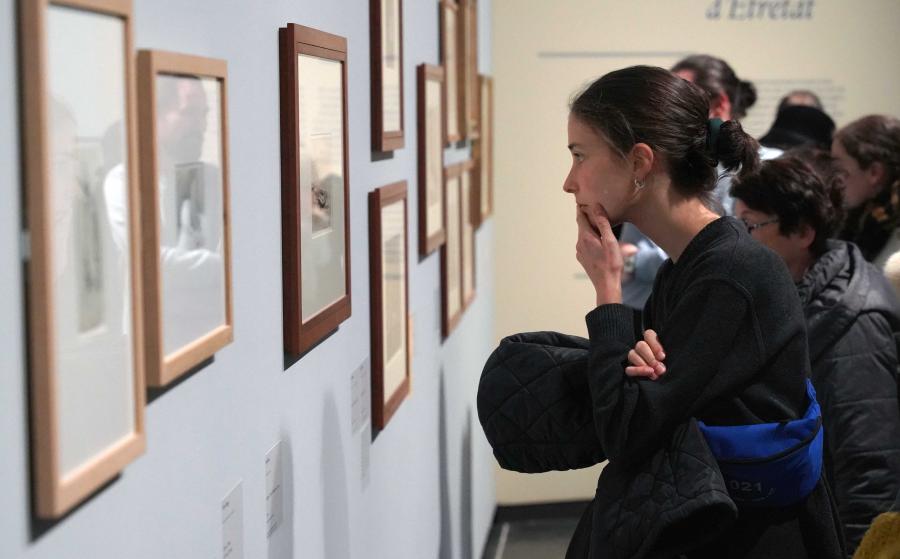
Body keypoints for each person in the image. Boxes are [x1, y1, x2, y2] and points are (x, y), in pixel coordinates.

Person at [563, 64, 843, 558]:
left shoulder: (728, 273)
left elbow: (625, 432)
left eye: (580, 155)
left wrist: (607, 288)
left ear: (640, 163)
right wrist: (636, 364)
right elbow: (636, 400)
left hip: (752, 537)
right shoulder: (691, 264)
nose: (569, 182)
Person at [730, 151, 900, 557]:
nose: (738, 238)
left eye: (751, 225)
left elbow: (869, 464)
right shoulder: (790, 294)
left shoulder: (852, 317)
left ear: (803, 232)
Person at [620, 54, 779, 310]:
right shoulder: (658, 165)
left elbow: (723, 254)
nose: (665, 116)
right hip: (650, 321)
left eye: (679, 105)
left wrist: (635, 263)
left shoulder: (768, 168)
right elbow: (627, 268)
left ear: (719, 105)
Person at [831, 115, 900, 268]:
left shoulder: (889, 233)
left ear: (874, 173)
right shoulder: (869, 220)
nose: (835, 178)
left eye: (840, 168)